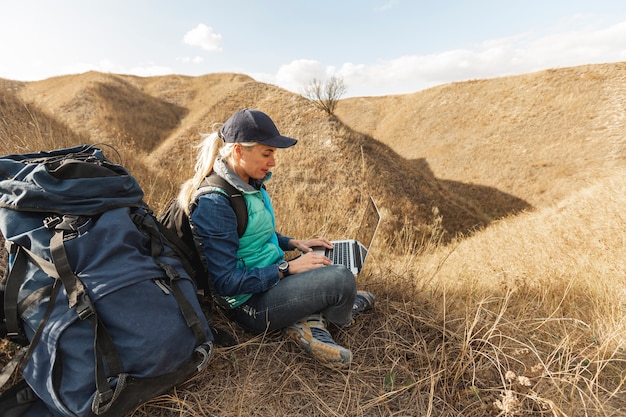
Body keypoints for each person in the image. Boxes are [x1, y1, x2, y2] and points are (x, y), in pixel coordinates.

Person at [176, 108, 375, 368]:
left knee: (329, 264)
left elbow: (254, 233)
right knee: (341, 278)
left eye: (274, 153)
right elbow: (225, 283)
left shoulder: (249, 182)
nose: (273, 162)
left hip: (270, 279)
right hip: (248, 303)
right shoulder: (215, 203)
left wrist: (294, 243)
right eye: (266, 153)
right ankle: (326, 319)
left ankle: (307, 318)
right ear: (238, 151)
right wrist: (287, 268)